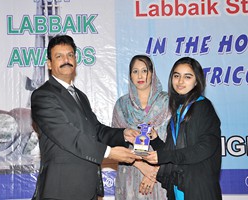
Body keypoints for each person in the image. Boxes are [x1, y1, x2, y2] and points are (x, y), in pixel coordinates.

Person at [31, 35, 142, 200]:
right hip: (61, 191)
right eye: (58, 56)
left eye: (70, 55)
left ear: (75, 60)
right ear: (49, 64)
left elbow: (95, 130)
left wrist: (123, 134)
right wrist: (109, 152)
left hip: (88, 189)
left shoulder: (80, 96)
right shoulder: (43, 95)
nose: (66, 60)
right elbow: (68, 135)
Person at [143, 57, 222, 200]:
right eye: (176, 76)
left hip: (198, 188)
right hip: (178, 185)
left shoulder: (203, 107)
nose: (180, 81)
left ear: (197, 81)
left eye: (187, 77)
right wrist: (155, 140)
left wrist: (165, 156)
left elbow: (205, 148)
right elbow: (171, 151)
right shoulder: (178, 110)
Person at [112, 55, 170, 199]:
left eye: (144, 70)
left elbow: (174, 143)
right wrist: (141, 165)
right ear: (130, 75)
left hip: (160, 172)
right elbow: (116, 141)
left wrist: (153, 173)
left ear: (152, 73)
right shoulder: (122, 105)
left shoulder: (168, 102)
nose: (140, 75)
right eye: (135, 71)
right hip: (130, 170)